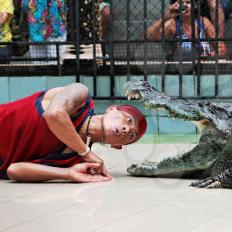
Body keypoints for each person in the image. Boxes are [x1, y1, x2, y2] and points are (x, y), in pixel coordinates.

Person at [0, 83, 147, 182]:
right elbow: (54, 114)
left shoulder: (74, 160)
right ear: (112, 109)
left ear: (117, 146)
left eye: (131, 135)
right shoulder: (81, 96)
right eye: (128, 120)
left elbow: (14, 170)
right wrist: (85, 152)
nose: (126, 129)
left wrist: (68, 173)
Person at [146, 0, 217, 58]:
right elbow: (148, 38)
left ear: (195, 5)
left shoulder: (203, 21)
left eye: (188, 2)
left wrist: (210, 56)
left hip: (204, 67)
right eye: (181, 2)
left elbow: (221, 46)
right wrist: (166, 17)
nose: (184, 5)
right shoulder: (172, 24)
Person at [23, 0, 67, 64]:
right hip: (54, 27)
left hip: (38, 28)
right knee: (54, 63)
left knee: (39, 63)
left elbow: (25, 6)